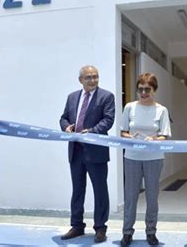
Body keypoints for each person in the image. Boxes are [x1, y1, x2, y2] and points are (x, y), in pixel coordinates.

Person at [59, 65, 115, 243]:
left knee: (100, 190)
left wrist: (90, 131)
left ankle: (100, 228)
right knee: (77, 190)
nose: (93, 80)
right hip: (75, 151)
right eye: (89, 77)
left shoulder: (106, 96)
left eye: (95, 76)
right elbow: (63, 117)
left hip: (96, 151)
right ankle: (76, 226)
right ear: (80, 80)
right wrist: (66, 126)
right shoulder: (72, 97)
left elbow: (108, 120)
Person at [119, 73, 171, 246]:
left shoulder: (161, 110)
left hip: (154, 158)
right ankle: (127, 232)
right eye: (140, 89)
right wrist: (130, 137)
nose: (143, 92)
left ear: (154, 90)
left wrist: (154, 140)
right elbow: (123, 131)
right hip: (132, 157)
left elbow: (164, 135)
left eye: (147, 89)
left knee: (151, 197)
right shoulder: (129, 107)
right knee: (131, 196)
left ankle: (151, 232)